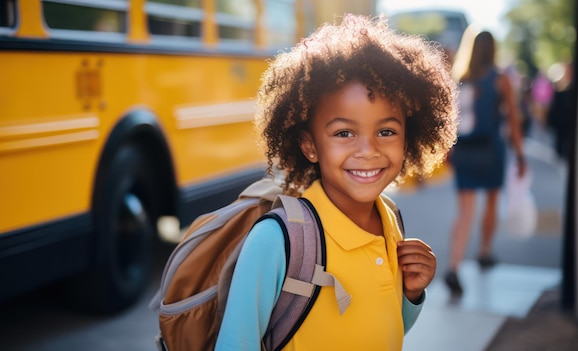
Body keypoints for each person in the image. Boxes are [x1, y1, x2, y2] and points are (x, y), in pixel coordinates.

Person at [215, 14, 458, 350]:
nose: (368, 151)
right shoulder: (278, 239)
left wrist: (411, 293)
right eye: (344, 133)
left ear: (407, 139)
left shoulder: (390, 219)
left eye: (386, 131)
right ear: (310, 145)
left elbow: (386, 328)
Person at [445, 27, 527, 297]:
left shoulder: (460, 79)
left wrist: (448, 153)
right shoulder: (500, 80)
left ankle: (454, 267)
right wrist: (520, 154)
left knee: (464, 211)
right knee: (491, 202)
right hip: (491, 149)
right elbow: (513, 120)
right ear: (493, 49)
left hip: (465, 151)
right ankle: (484, 251)